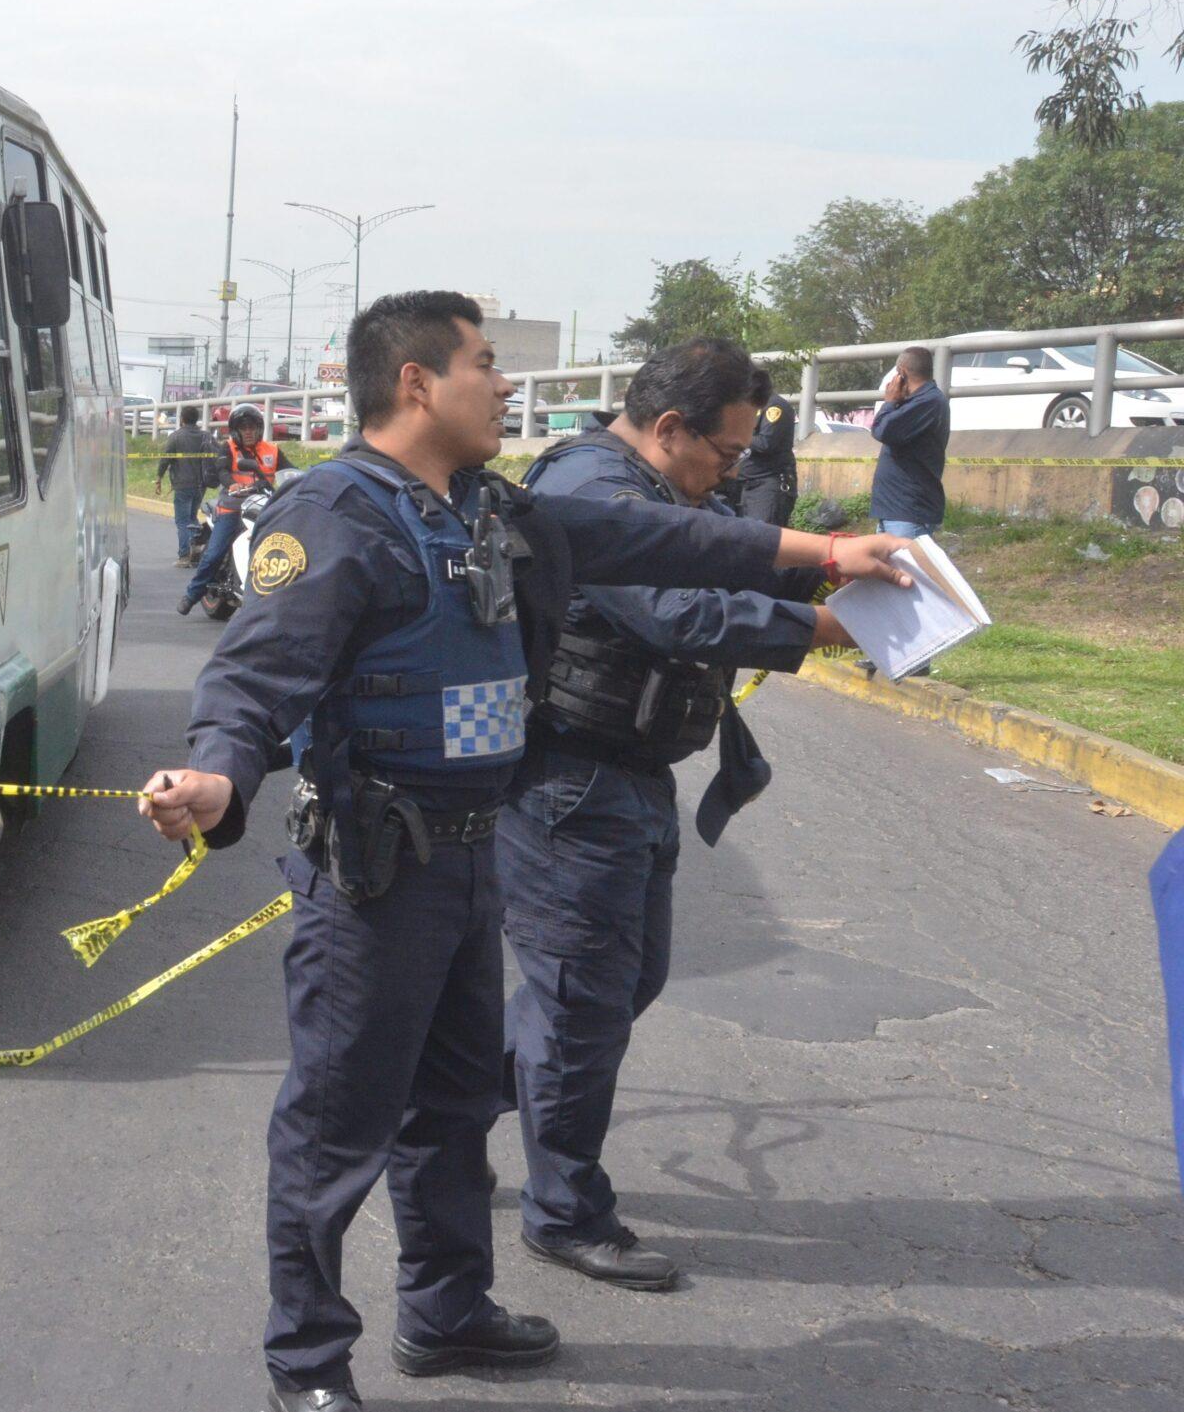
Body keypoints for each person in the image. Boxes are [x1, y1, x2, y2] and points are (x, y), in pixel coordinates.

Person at [136, 291, 912, 1411]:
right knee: (334, 1128)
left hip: (473, 855)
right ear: (415, 383)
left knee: (452, 1108)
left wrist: (829, 548)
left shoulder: (491, 509)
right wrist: (215, 773)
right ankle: (304, 1364)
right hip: (374, 872)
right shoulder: (337, 512)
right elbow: (256, 674)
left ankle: (446, 1310)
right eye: (486, 364)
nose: (506, 386)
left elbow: (666, 534)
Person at [497, 338, 854, 1295]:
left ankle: (443, 1101)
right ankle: (565, 1210)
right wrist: (821, 626)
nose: (731, 473)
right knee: (582, 1006)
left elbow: (720, 573)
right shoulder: (589, 490)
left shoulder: (659, 490)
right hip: (571, 781)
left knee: (621, 984)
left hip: (631, 775)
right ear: (667, 429)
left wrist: (819, 578)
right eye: (726, 454)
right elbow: (678, 612)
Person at [178, 402, 281, 613]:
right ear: (236, 430)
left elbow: (289, 471)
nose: (249, 432)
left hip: (262, 507)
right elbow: (222, 471)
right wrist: (232, 484)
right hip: (232, 508)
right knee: (214, 554)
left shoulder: (272, 450)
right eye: (244, 428)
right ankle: (192, 594)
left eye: (252, 427)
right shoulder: (228, 448)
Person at [871, 345, 948, 541]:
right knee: (889, 572)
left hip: (908, 512)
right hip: (894, 510)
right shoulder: (914, 402)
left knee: (909, 571)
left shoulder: (927, 402)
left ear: (901, 373)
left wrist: (889, 402)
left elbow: (883, 430)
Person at [737, 372, 799, 528]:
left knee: (762, 540)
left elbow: (766, 443)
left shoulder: (774, 406)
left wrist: (736, 435)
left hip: (767, 486)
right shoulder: (751, 407)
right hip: (748, 484)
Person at [156, 411, 219, 566]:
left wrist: (159, 478)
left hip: (183, 484)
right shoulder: (206, 436)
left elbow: (165, 460)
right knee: (192, 518)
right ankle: (196, 554)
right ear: (196, 419)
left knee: (183, 520)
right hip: (201, 485)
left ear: (182, 419)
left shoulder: (176, 437)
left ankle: (184, 556)